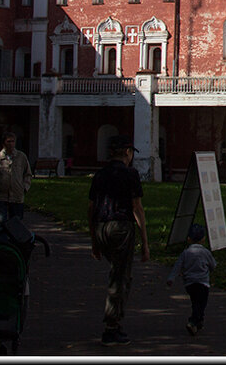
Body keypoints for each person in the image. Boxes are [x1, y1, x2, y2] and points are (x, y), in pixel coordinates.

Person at [88, 134, 150, 346]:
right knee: (120, 277)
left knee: (118, 274)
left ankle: (114, 322)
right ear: (127, 152)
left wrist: (94, 241)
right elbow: (137, 208)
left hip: (101, 227)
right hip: (120, 227)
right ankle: (111, 328)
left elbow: (91, 209)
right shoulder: (130, 174)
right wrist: (145, 243)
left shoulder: (100, 175)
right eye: (131, 152)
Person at [166, 223, 217, 336]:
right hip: (203, 282)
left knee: (195, 302)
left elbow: (177, 266)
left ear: (189, 239)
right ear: (203, 239)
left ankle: (199, 322)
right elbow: (213, 265)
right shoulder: (206, 252)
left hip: (189, 283)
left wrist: (171, 278)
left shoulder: (186, 253)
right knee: (201, 303)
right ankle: (193, 321)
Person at [0, 132, 32, 228]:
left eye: (13, 141)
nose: (11, 144)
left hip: (17, 196)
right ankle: (3, 242)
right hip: (1, 196)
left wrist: (25, 188)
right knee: (1, 224)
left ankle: (14, 243)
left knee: (16, 225)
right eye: (8, 141)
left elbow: (28, 174)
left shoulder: (21, 157)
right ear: (4, 143)